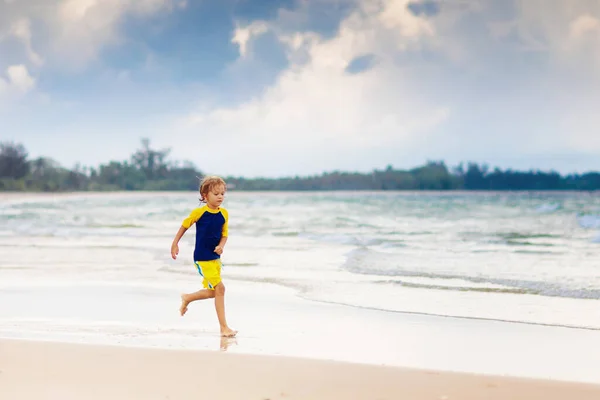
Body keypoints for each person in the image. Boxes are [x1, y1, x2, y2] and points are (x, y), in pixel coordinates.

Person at [170, 175, 237, 338]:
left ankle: (188, 297)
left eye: (222, 194)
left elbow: (224, 234)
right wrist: (175, 243)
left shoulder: (224, 214)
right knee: (221, 288)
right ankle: (224, 328)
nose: (220, 197)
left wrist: (221, 246)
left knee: (214, 291)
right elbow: (184, 225)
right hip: (202, 257)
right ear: (205, 195)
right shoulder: (199, 212)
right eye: (216, 194)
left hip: (215, 259)